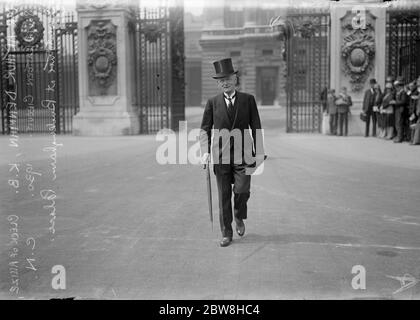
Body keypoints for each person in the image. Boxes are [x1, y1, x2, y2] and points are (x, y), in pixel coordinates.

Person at [200, 58, 265, 247]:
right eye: (221, 80)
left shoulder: (248, 100)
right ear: (218, 83)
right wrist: (205, 152)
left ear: (235, 79)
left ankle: (239, 216)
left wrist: (259, 152)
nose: (225, 83)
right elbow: (205, 129)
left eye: (228, 78)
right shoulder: (212, 103)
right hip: (220, 157)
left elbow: (256, 127)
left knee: (242, 191)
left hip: (244, 156)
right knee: (223, 195)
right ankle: (226, 232)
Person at [393, 77, 409, 143]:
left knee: (399, 124)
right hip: (397, 109)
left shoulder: (403, 93)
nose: (396, 88)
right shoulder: (399, 92)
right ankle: (398, 136)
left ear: (400, 86)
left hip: (401, 110)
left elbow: (403, 101)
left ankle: (400, 137)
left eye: (397, 86)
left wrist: (395, 102)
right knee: (397, 123)